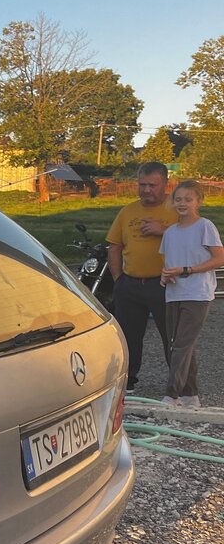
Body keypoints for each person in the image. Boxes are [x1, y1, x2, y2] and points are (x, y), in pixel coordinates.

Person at [106, 162, 180, 392]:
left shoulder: (178, 209)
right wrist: (118, 279)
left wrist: (164, 230)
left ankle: (178, 385)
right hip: (130, 284)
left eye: (152, 185)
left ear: (166, 184)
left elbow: (194, 242)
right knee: (128, 336)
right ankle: (128, 381)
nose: (146, 190)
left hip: (165, 284)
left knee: (172, 336)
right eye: (142, 184)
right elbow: (114, 245)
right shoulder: (128, 211)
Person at [158, 180, 224, 408]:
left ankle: (171, 395)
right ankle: (190, 395)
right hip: (174, 293)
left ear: (199, 201)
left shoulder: (205, 226)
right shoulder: (170, 232)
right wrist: (165, 275)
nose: (182, 203)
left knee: (181, 344)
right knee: (182, 345)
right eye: (178, 199)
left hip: (198, 293)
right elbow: (168, 263)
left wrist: (188, 270)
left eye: (188, 199)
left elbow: (219, 258)